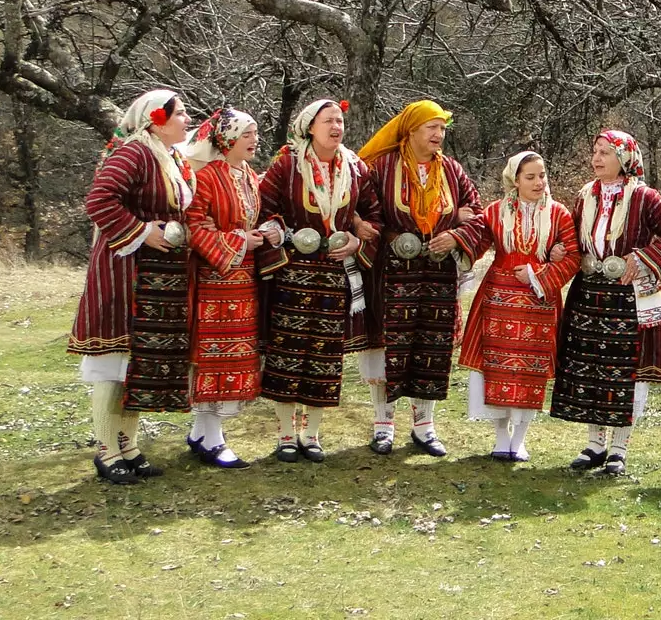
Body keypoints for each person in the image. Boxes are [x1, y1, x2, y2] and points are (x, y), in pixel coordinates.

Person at [68, 89, 196, 484]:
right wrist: (141, 230)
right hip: (125, 271)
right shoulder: (135, 152)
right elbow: (100, 200)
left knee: (138, 364)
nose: (188, 119)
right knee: (116, 359)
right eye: (181, 113)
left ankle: (130, 446)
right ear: (157, 118)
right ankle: (107, 450)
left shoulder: (170, 156)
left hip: (157, 275)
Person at [550, 130, 661, 476]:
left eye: (606, 152)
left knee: (626, 372)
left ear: (624, 158)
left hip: (627, 297)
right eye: (595, 151)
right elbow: (574, 238)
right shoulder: (585, 195)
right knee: (591, 365)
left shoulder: (644, 197)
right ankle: (595, 445)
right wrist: (563, 250)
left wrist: (641, 259)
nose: (597, 158)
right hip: (590, 294)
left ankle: (619, 449)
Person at [357, 100, 481, 456]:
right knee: (386, 348)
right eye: (431, 127)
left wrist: (456, 235)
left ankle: (424, 427)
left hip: (437, 275)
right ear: (410, 130)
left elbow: (477, 215)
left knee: (430, 347)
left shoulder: (453, 172)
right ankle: (383, 425)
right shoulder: (381, 168)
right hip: (392, 274)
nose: (438, 135)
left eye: (442, 128)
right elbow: (365, 211)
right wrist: (391, 236)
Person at [257, 99, 379, 462]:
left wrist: (358, 240)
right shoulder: (286, 165)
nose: (336, 127)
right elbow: (265, 208)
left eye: (340, 120)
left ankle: (311, 435)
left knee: (324, 355)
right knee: (288, 351)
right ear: (310, 127)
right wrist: (280, 232)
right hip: (293, 270)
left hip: (333, 272)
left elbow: (374, 213)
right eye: (328, 121)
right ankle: (284, 435)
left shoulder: (356, 168)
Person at [452, 151, 579, 462]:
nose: (538, 183)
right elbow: (474, 243)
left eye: (542, 176)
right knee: (495, 369)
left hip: (539, 304)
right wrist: (456, 236)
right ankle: (500, 436)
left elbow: (574, 257)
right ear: (515, 180)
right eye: (530, 177)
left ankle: (520, 439)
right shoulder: (496, 212)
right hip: (498, 300)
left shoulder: (559, 214)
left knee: (528, 372)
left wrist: (542, 272)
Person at [182, 108, 277, 468]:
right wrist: (238, 242)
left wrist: (267, 232)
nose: (254, 140)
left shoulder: (250, 176)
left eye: (255, 133)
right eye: (247, 134)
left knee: (236, 355)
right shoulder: (206, 177)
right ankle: (212, 438)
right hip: (215, 280)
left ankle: (201, 432)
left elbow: (257, 216)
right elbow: (195, 225)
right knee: (215, 357)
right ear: (227, 138)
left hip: (244, 281)